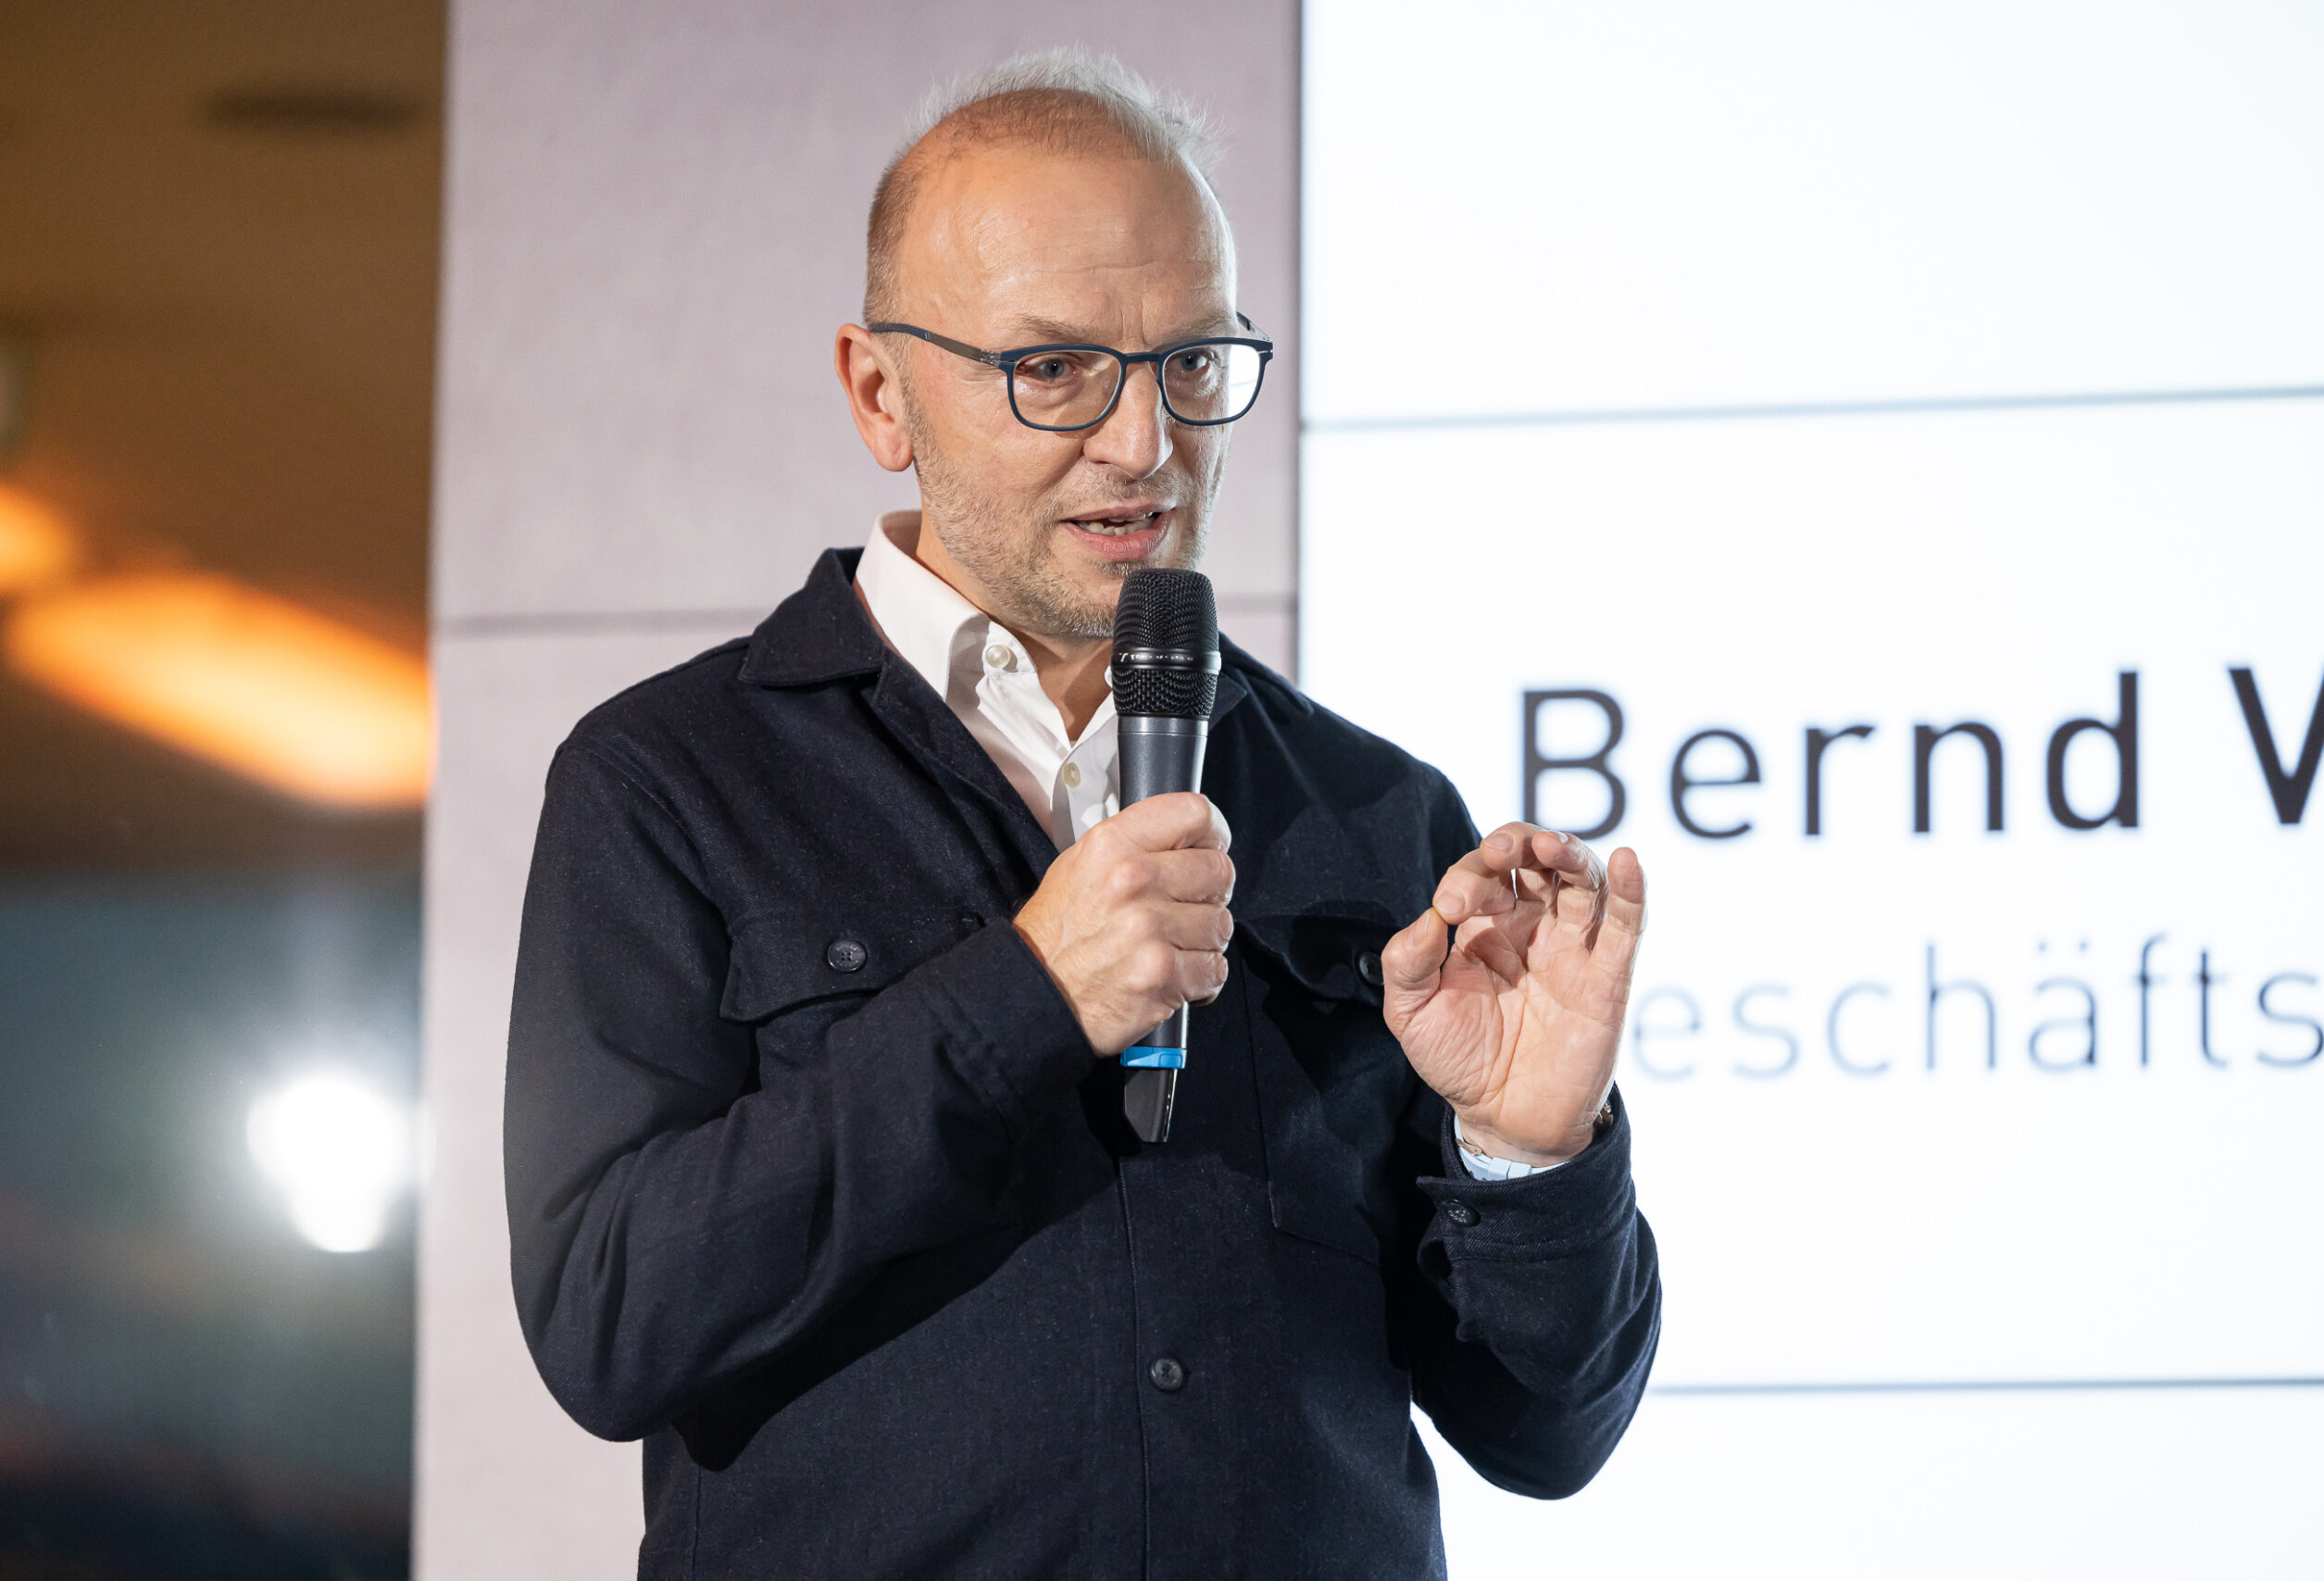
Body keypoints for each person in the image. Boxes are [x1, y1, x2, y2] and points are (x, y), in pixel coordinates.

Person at [506, 50, 1659, 1581]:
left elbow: (1547, 1434)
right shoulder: (670, 778)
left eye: (1193, 363)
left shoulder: (1373, 809)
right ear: (880, 392)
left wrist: (1527, 1154)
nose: (1144, 445)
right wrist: (1024, 996)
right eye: (1054, 368)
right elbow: (606, 1317)